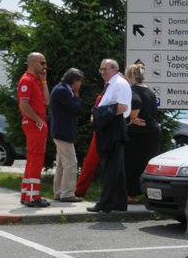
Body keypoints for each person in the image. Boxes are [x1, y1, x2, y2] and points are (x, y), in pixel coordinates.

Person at [88, 59, 132, 213]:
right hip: (110, 127)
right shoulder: (112, 83)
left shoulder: (119, 83)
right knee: (116, 169)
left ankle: (105, 203)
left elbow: (122, 107)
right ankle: (119, 202)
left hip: (113, 128)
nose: (102, 72)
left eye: (104, 69)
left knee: (109, 169)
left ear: (114, 69)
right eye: (100, 69)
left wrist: (99, 116)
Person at [15, 52, 51, 208]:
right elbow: (24, 104)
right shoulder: (27, 80)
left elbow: (47, 101)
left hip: (37, 122)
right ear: (33, 63)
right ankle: (32, 197)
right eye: (42, 63)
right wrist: (37, 121)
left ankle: (27, 194)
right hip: (34, 123)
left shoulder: (36, 80)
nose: (45, 67)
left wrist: (44, 82)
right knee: (36, 159)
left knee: (33, 159)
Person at [123, 62, 161, 203]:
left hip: (138, 134)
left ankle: (131, 195)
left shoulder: (133, 90)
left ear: (129, 77)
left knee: (132, 164)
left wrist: (132, 118)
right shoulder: (149, 90)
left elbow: (136, 102)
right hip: (152, 132)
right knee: (148, 165)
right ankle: (148, 194)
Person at [50, 69, 84, 203]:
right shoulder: (63, 91)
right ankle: (67, 193)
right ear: (74, 81)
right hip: (63, 132)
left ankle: (58, 192)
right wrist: (76, 95)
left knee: (61, 164)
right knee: (71, 163)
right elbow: (75, 107)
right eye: (79, 81)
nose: (80, 84)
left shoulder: (61, 88)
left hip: (59, 131)